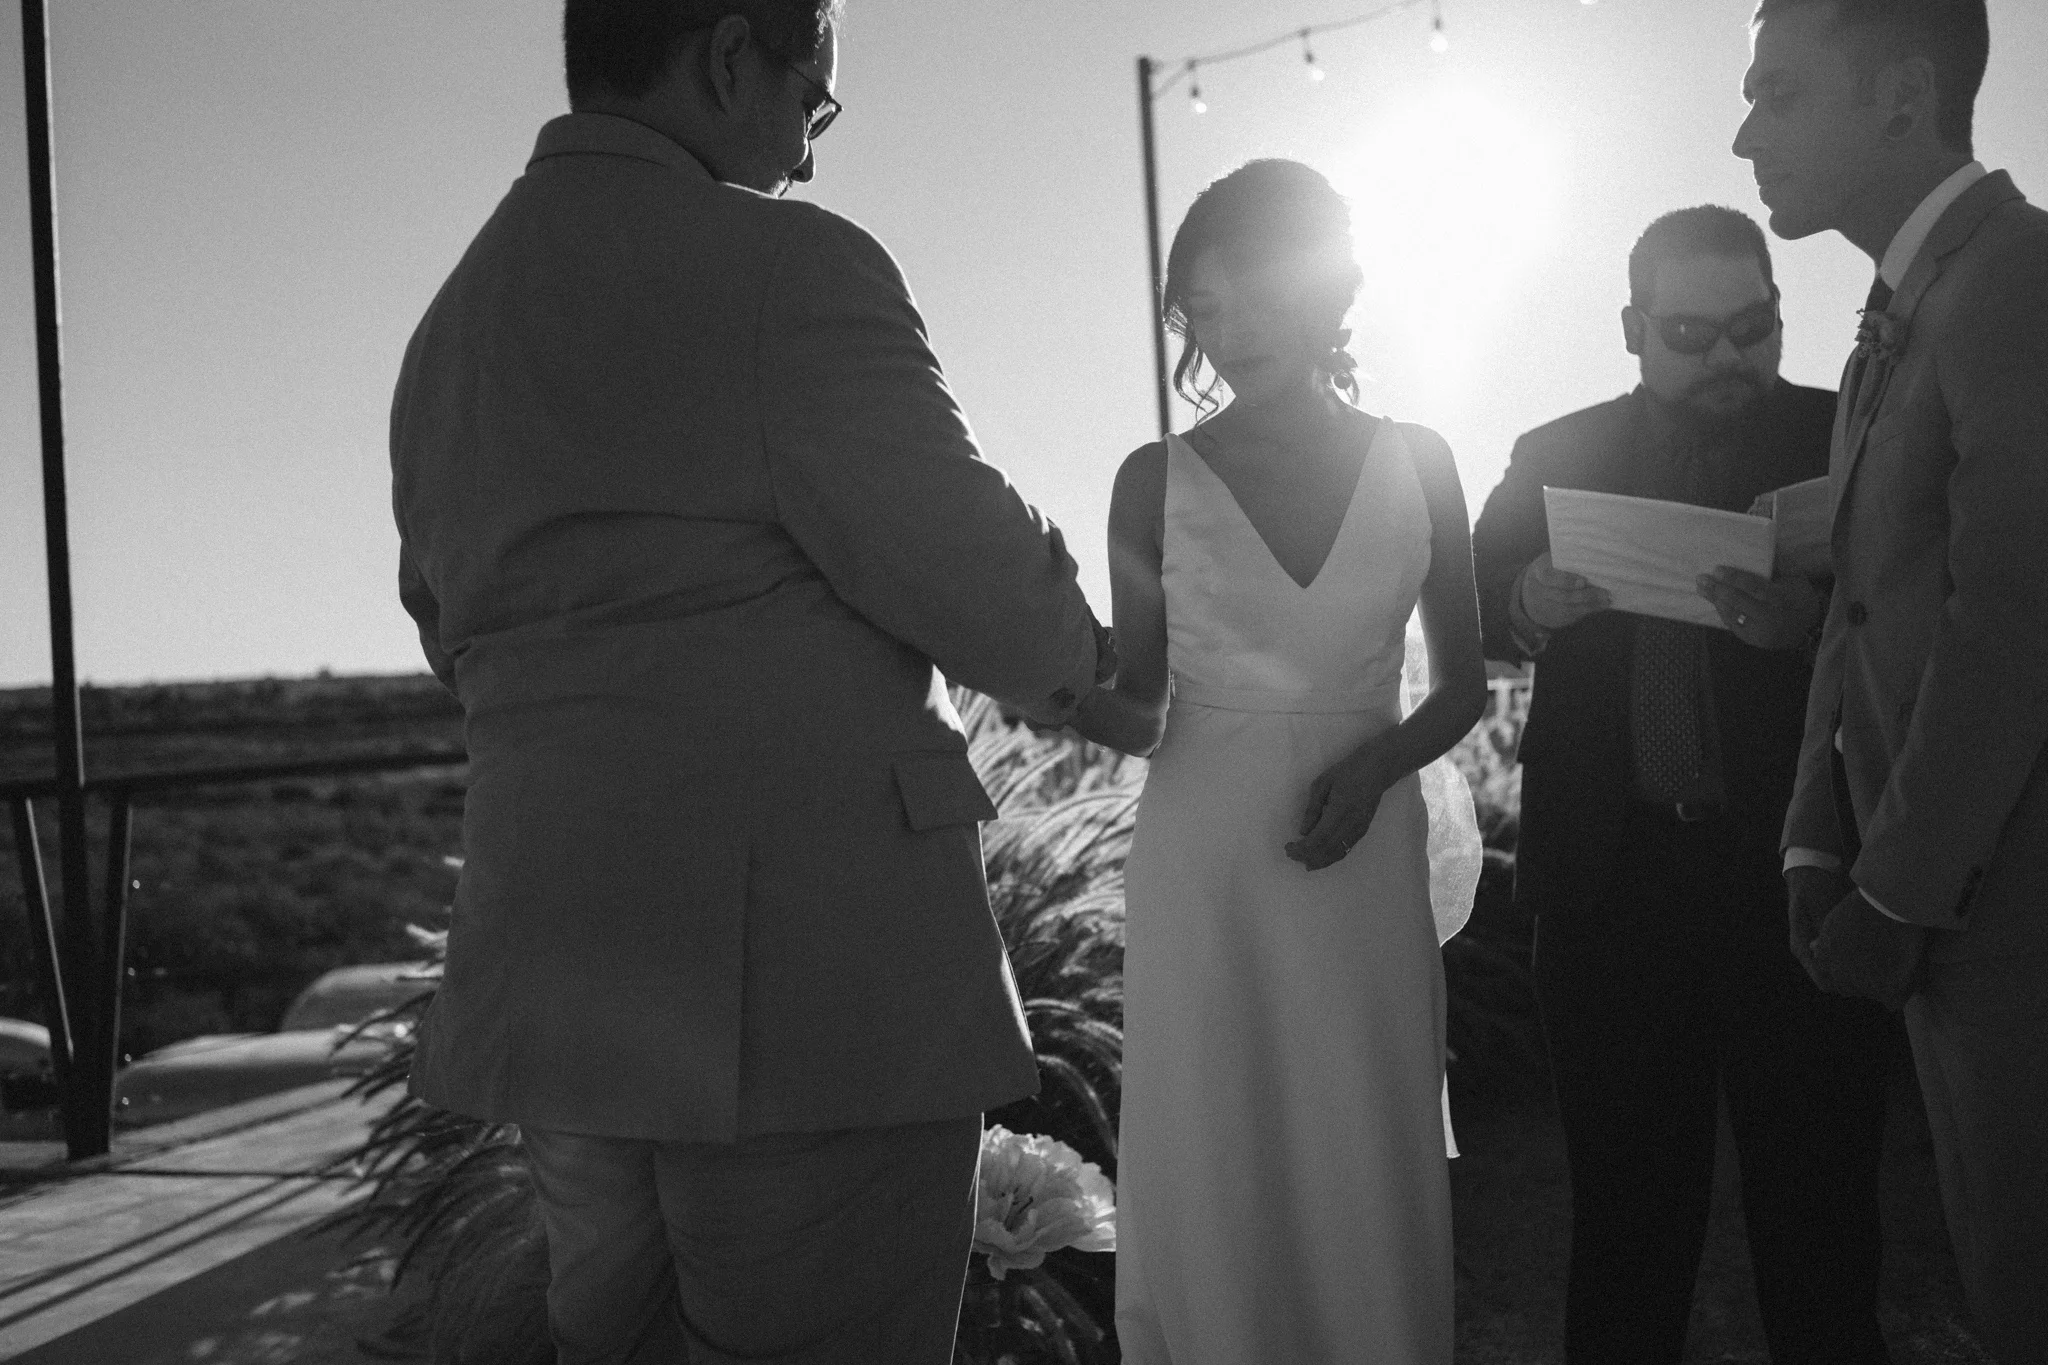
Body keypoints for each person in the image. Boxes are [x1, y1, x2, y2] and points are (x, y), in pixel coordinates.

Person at [388, 1, 1113, 1360]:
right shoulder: (786, 266)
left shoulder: (451, 327)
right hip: (803, 985)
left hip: (558, 978)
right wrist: (1104, 677)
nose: (809, 154)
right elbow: (970, 571)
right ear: (730, 56)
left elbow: (448, 626)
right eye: (810, 101)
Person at [1067, 158, 1487, 1365]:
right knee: (1214, 1137)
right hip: (1201, 856)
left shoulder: (1420, 461)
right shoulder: (1151, 479)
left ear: (1327, 287)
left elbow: (1461, 685)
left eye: (1251, 295)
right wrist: (1046, 677)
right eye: (1201, 308)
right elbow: (1139, 709)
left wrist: (1375, 767)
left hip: (1363, 854)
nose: (1228, 329)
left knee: (1363, 1127)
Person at [1470, 206, 1895, 1364]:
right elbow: (1470, 606)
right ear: (1630, 329)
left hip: (1798, 871)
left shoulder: (1843, 434)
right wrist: (1526, 601)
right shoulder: (1551, 452)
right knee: (1625, 1224)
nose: (1725, 358)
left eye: (1751, 328)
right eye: (1688, 334)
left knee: (1819, 1218)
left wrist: (1812, 627)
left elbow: (1924, 616)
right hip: (1610, 883)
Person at [1736, 1, 2048, 1358]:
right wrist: (1815, 838)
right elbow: (1857, 608)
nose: (1744, 135)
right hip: (1937, 902)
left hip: (2012, 894)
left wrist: (1899, 888)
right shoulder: (1895, 313)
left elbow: (2016, 615)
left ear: (1904, 96)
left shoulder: (2020, 279)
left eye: (1779, 93)